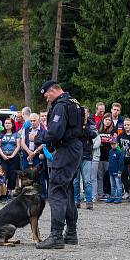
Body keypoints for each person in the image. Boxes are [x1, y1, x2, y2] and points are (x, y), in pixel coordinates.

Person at [38, 80, 84, 250]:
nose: (46, 100)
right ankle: (71, 233)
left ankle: (56, 235)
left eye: (46, 95)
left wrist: (40, 138)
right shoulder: (75, 103)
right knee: (68, 189)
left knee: (56, 189)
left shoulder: (60, 105)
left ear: (52, 91)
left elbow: (55, 131)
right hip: (76, 148)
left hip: (66, 150)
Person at [73, 109, 96, 210]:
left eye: (85, 113)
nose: (83, 115)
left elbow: (93, 135)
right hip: (75, 156)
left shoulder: (91, 124)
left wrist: (84, 127)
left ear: (88, 114)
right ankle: (76, 201)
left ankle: (89, 201)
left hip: (86, 155)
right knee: (75, 181)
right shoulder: (74, 124)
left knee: (87, 180)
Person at [0, 118, 21, 193]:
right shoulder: (1, 134)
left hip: (14, 157)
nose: (7, 124)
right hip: (3, 157)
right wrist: (2, 155)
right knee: (3, 174)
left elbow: (18, 146)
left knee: (12, 175)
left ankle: (9, 191)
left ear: (12, 124)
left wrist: (12, 155)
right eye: (6, 123)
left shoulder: (16, 134)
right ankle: (3, 192)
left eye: (9, 123)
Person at [106, 137, 124, 204]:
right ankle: (113, 197)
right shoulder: (110, 151)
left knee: (118, 185)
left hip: (117, 172)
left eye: (114, 144)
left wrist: (120, 171)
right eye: (112, 144)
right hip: (111, 171)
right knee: (112, 185)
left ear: (117, 144)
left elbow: (121, 163)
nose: (113, 145)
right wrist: (109, 170)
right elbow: (110, 161)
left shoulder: (119, 152)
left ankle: (118, 198)